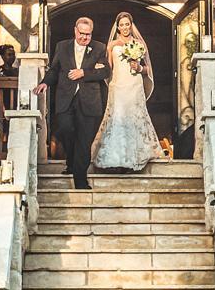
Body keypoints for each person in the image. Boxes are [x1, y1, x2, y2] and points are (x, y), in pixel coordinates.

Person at [37, 15, 110, 188]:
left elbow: (105, 71)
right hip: (65, 99)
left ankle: (80, 180)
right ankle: (71, 160)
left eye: (88, 34)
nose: (84, 37)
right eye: (81, 33)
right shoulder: (62, 46)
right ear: (75, 31)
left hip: (90, 100)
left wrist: (84, 72)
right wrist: (45, 82)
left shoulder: (99, 48)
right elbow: (55, 69)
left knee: (84, 140)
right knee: (65, 129)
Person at [93, 11, 160, 172]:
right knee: (117, 118)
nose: (124, 27)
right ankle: (116, 158)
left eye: (127, 24)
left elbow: (148, 69)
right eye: (121, 24)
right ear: (117, 27)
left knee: (133, 119)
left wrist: (139, 68)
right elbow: (108, 67)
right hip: (118, 86)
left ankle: (135, 157)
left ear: (131, 25)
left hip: (134, 85)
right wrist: (99, 67)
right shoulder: (112, 45)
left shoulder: (139, 43)